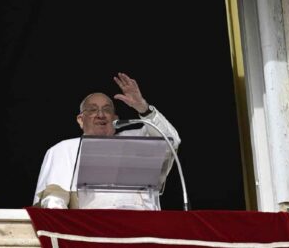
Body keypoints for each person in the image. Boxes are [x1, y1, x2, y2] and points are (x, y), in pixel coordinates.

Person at [33, 72, 181, 210]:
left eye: (107, 110)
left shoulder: (136, 140)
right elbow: (54, 199)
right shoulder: (64, 149)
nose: (101, 115)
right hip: (92, 227)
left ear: (115, 119)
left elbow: (171, 141)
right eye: (92, 110)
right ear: (80, 120)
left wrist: (143, 108)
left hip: (141, 225)